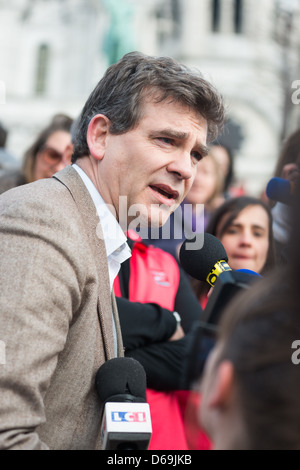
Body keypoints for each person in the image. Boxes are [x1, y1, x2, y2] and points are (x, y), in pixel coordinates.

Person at [0, 51, 225, 450]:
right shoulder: (40, 223)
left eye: (195, 153)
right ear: (100, 136)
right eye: (167, 140)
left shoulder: (98, 232)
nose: (186, 169)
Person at [114, 229, 205, 450]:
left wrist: (116, 360)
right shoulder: (79, 253)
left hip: (165, 443)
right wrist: (169, 323)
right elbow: (84, 322)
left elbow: (200, 356)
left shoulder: (165, 263)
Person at [191, 196, 276, 307]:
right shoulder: (182, 297)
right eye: (233, 231)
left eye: (257, 233)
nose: (246, 241)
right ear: (214, 238)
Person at [0, 113, 73, 195]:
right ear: (35, 153)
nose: (59, 168)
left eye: (70, 159)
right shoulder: (5, 191)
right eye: (52, 155)